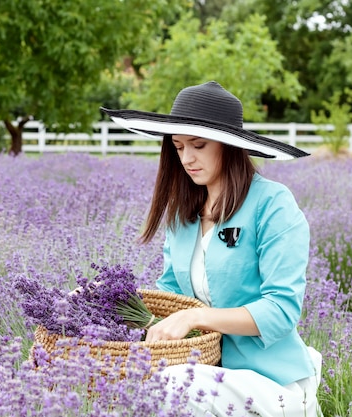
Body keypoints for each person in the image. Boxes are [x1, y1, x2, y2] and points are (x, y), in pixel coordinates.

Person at [101, 81, 323, 417]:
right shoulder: (184, 214)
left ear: (229, 145)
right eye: (178, 147)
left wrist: (196, 316)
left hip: (266, 379)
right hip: (201, 366)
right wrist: (104, 305)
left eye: (199, 145)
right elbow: (170, 298)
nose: (187, 158)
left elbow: (281, 310)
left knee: (173, 386)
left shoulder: (273, 205)